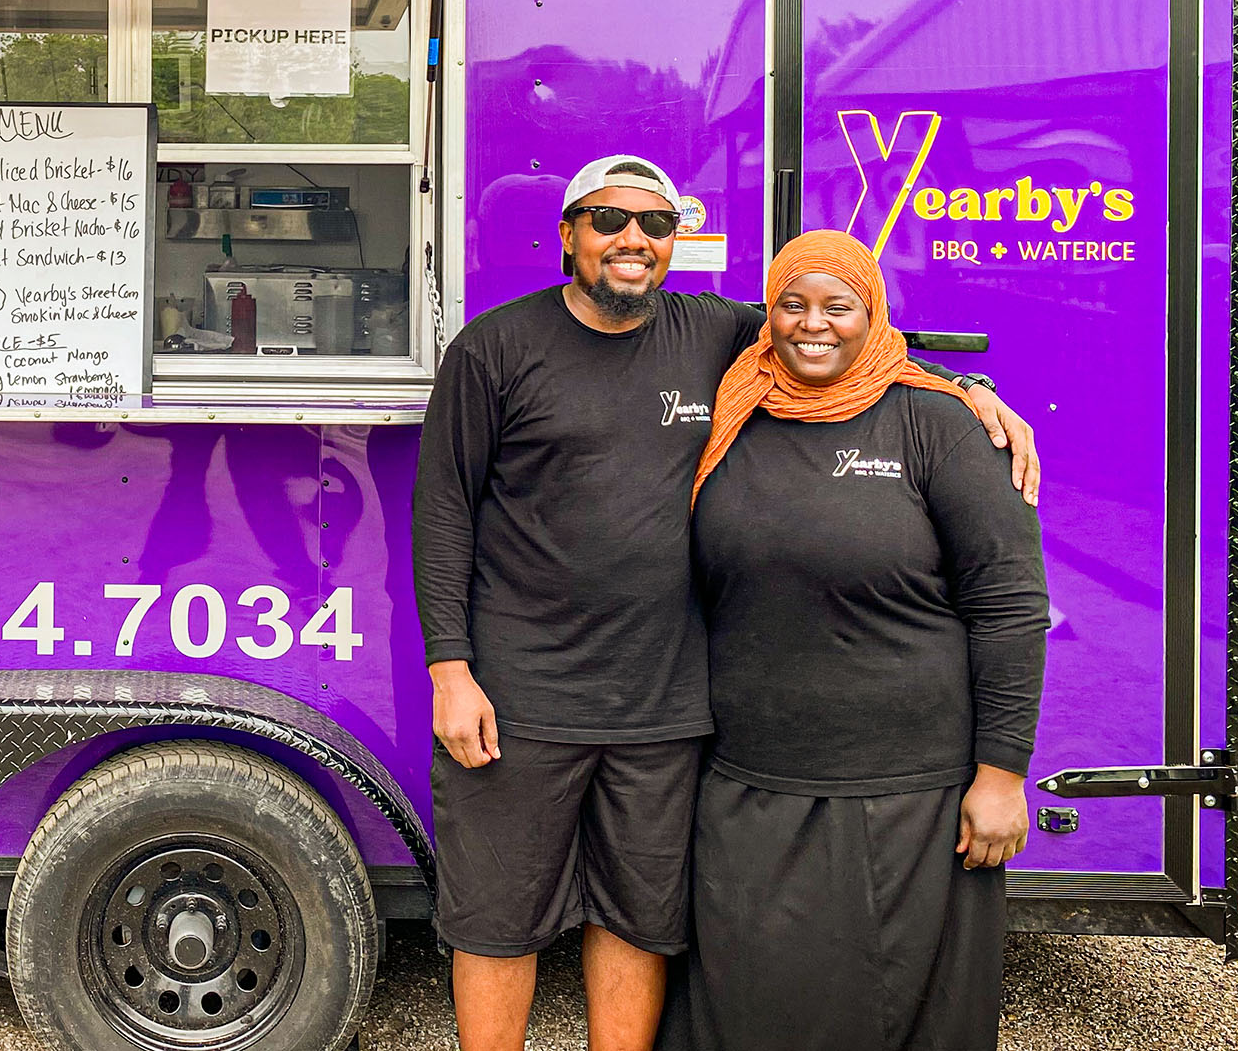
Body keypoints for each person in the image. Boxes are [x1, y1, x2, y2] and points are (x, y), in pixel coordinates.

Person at [413, 158, 1040, 1051]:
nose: (633, 239)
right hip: (521, 698)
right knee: (496, 917)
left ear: (677, 242)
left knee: (637, 918)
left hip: (669, 705)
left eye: (656, 224)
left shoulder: (716, 334)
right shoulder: (495, 348)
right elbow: (442, 512)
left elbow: (841, 327)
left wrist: (967, 394)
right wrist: (451, 668)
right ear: (567, 235)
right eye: (607, 219)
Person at [659, 230, 1048, 1051]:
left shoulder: (936, 426)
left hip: (912, 794)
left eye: (840, 306)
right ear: (767, 314)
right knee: (750, 1003)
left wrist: (1003, 775)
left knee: (907, 1013)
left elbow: (1010, 606)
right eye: (792, 304)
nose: (813, 325)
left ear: (874, 314)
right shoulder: (735, 406)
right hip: (750, 778)